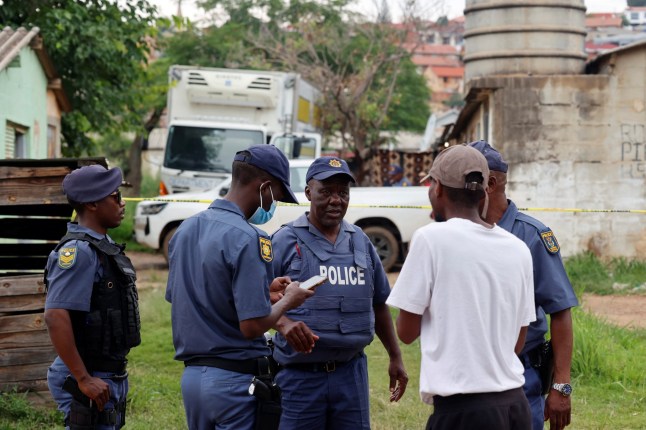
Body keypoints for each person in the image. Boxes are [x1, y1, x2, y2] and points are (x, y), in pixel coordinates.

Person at [165, 144, 316, 430]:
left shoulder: (186, 229)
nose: (273, 204)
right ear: (265, 187)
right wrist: (289, 300)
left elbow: (190, 296)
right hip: (233, 384)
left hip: (193, 381)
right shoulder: (250, 238)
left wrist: (262, 291)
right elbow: (252, 326)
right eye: (277, 197)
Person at [386, 145, 536, 430]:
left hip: (464, 410)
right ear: (484, 192)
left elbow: (406, 332)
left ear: (438, 189)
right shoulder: (518, 249)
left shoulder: (430, 239)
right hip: (515, 405)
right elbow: (518, 340)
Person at [270, 156, 408, 430]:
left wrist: (395, 356)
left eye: (343, 192)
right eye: (326, 192)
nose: (336, 200)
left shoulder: (361, 241)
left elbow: (378, 303)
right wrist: (283, 324)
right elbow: (256, 299)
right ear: (308, 192)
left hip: (351, 375)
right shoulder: (284, 240)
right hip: (300, 378)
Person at [469, 140, 579, 430]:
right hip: (469, 375)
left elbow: (560, 311)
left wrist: (561, 385)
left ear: (490, 184)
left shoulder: (531, 236)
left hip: (521, 375)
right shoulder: (461, 234)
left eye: (465, 180)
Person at [45, 164, 139, 429]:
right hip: (87, 374)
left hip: (105, 373)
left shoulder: (101, 248)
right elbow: (55, 315)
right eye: (115, 196)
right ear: (93, 204)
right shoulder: (79, 251)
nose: (122, 203)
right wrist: (83, 378)